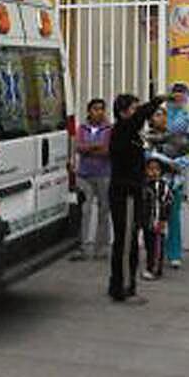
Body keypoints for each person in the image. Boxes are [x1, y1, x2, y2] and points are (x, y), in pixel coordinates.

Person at [107, 94, 165, 303]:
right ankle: (124, 289)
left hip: (132, 191)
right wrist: (158, 100)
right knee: (126, 243)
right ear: (123, 113)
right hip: (126, 194)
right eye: (133, 108)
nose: (137, 113)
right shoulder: (123, 129)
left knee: (128, 240)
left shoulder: (130, 132)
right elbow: (139, 117)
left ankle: (117, 284)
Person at [143, 106, 189, 269]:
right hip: (152, 186)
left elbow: (183, 162)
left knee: (173, 219)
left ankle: (174, 254)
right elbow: (146, 158)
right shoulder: (146, 137)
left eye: (164, 115)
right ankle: (155, 253)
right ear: (150, 119)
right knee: (153, 219)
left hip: (173, 184)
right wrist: (166, 161)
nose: (161, 118)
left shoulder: (177, 137)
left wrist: (161, 159)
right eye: (157, 115)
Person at [72, 98, 113, 262]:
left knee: (104, 210)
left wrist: (89, 149)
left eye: (101, 109)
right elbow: (78, 147)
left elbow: (107, 150)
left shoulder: (109, 129)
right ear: (89, 111)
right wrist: (95, 146)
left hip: (104, 173)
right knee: (84, 210)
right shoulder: (82, 128)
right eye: (95, 109)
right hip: (84, 174)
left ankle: (101, 248)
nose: (99, 112)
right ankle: (82, 247)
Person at [141, 156, 174, 281]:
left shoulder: (163, 186)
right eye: (150, 169)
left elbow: (167, 203)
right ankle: (149, 267)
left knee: (157, 247)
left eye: (156, 169)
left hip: (158, 222)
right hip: (146, 222)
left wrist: (163, 219)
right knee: (149, 246)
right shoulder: (143, 185)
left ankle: (155, 270)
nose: (153, 172)